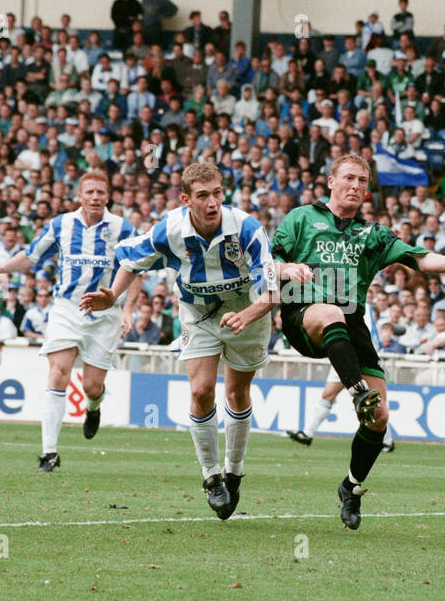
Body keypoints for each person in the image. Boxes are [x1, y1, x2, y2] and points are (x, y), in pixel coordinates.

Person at [270, 154, 445, 528]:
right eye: (348, 178)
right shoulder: (301, 219)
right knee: (330, 314)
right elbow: (267, 262)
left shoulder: (373, 234)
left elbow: (417, 258)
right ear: (331, 181)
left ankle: (351, 487)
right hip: (304, 314)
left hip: (351, 325)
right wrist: (287, 269)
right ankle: (355, 389)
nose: (355, 185)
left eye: (362, 181)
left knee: (378, 419)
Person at [82, 162, 291, 520]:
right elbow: (133, 260)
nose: (212, 202)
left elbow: (272, 293)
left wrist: (245, 315)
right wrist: (113, 295)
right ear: (186, 199)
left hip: (248, 311)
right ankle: (211, 477)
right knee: (200, 390)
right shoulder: (171, 229)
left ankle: (234, 470)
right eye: (203, 196)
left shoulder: (247, 229)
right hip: (198, 314)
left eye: (217, 193)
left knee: (238, 394)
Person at [0, 171, 139, 472]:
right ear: (79, 196)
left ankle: (93, 408)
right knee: (58, 374)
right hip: (67, 309)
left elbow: (136, 268)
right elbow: (30, 257)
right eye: (89, 192)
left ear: (108, 196)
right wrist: (0, 267)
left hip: (105, 314)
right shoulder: (61, 225)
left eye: (100, 192)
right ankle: (48, 453)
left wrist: (128, 310)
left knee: (92, 387)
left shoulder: (122, 228)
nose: (95, 197)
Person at [288, 300, 396, 452]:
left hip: (357, 357)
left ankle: (386, 440)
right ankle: (307, 433)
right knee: (331, 395)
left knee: (369, 400)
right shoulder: (343, 301)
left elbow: (367, 333)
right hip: (345, 356)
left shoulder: (360, 304)